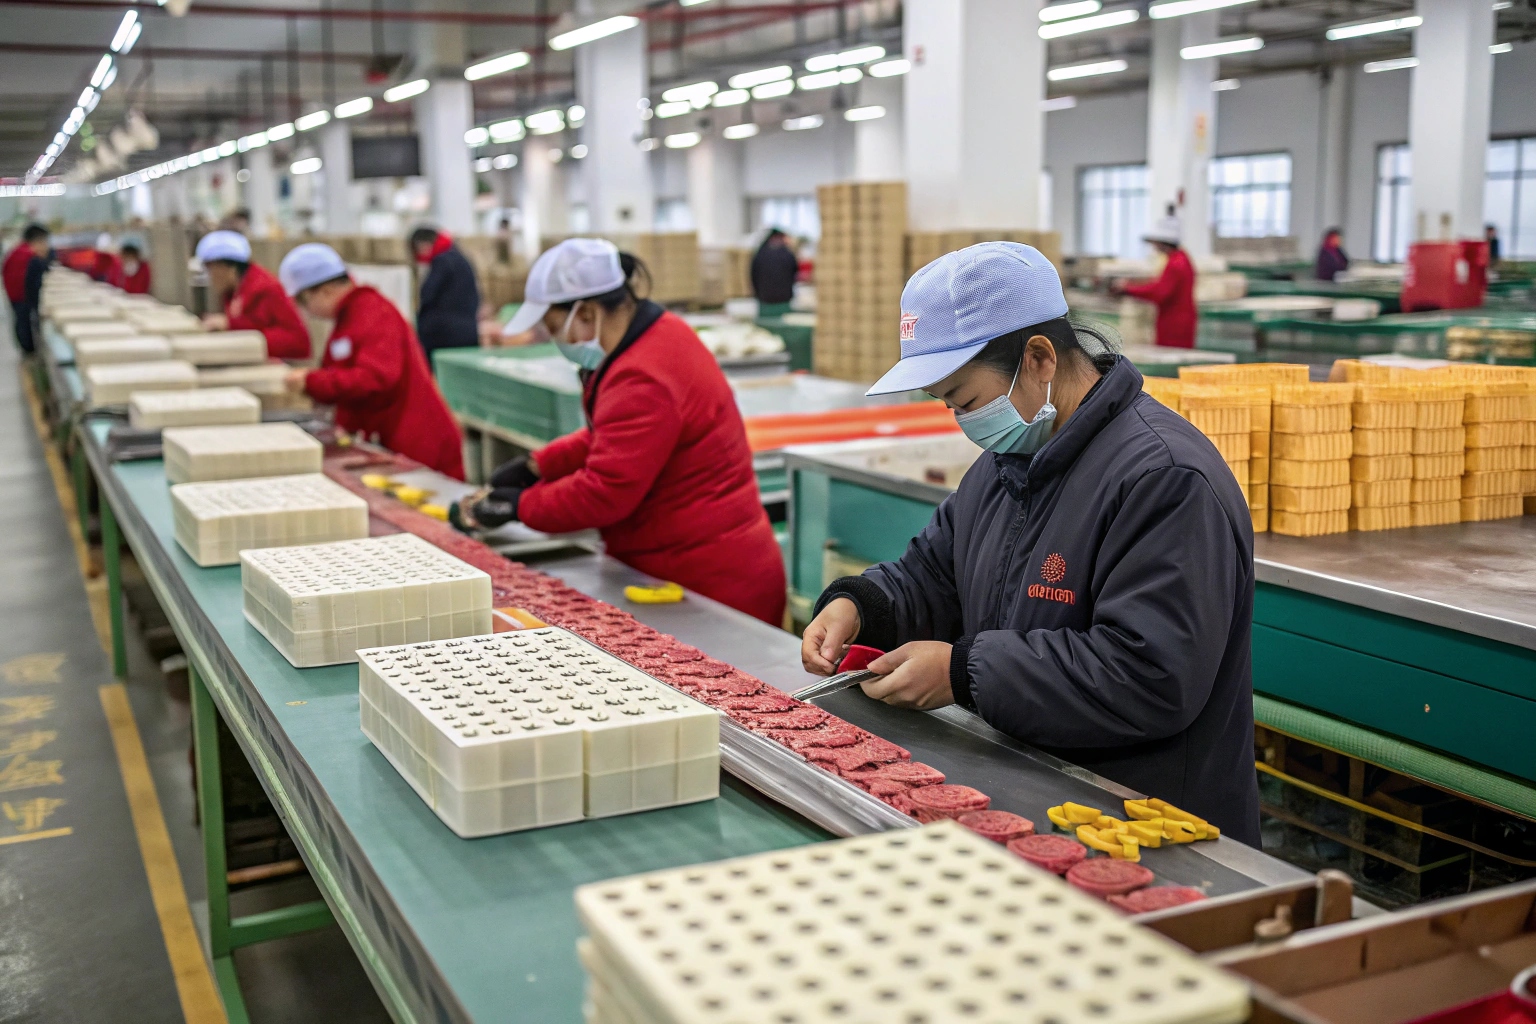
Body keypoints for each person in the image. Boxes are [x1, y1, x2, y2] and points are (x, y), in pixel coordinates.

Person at [799, 242, 1261, 844]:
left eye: (965, 400)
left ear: (1040, 357)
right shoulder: (1006, 462)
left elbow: (1149, 675)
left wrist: (963, 674)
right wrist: (861, 606)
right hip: (1042, 792)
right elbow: (935, 575)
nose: (962, 421)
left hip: (1149, 824)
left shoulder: (1164, 479)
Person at [453, 238, 786, 625]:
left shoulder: (642, 375)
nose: (552, 336)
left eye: (553, 324)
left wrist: (519, 506)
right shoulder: (657, 333)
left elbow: (604, 492)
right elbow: (611, 437)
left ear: (587, 312)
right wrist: (537, 467)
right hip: (687, 565)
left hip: (708, 587)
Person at [278, 243, 465, 480]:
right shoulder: (350, 318)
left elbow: (376, 378)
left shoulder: (373, 312)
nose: (307, 312)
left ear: (323, 290)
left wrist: (312, 381)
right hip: (393, 442)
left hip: (420, 446)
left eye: (303, 302)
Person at [195, 230, 312, 360]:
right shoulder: (233, 291)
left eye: (210, 269)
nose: (210, 277)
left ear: (227, 267)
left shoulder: (263, 288)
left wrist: (230, 325)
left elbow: (296, 342)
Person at [1115, 217, 1198, 348]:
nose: (1154, 246)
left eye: (1155, 242)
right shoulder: (1181, 258)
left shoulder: (1176, 264)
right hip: (1177, 320)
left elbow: (1160, 292)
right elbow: (1163, 284)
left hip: (1174, 325)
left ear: (1163, 242)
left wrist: (1128, 289)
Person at [409, 226, 480, 362]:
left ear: (423, 244)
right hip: (468, 332)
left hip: (443, 335)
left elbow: (427, 294)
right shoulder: (460, 257)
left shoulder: (442, 261)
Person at [4, 224, 50, 356]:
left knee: (20, 321)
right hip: (20, 296)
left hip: (14, 294)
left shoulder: (19, 251)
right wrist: (37, 307)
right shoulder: (29, 256)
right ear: (37, 241)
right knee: (24, 322)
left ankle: (26, 349)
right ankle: (29, 351)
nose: (47, 247)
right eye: (45, 242)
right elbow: (32, 285)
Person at [750, 228, 799, 312]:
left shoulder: (760, 253)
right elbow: (794, 272)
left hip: (764, 297)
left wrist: (756, 293)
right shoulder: (787, 254)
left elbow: (753, 274)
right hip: (783, 298)